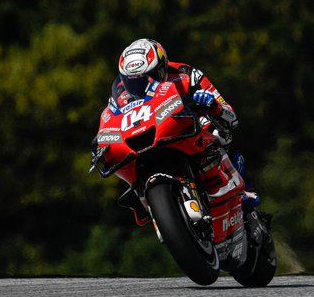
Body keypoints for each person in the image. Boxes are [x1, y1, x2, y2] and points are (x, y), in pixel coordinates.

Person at [111, 38, 259, 211]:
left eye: (148, 78)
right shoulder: (120, 93)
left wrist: (213, 106)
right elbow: (111, 120)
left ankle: (245, 189)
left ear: (162, 67)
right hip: (148, 137)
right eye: (133, 82)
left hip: (186, 129)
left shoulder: (187, 75)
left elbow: (231, 117)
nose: (140, 87)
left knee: (216, 131)